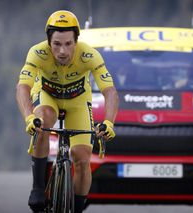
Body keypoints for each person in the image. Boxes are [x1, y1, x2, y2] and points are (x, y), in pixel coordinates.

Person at [16, 10, 119, 212]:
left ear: (76, 41)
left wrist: (109, 122)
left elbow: (110, 92)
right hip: (48, 98)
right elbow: (22, 88)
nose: (62, 51)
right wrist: (29, 117)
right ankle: (37, 187)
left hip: (77, 102)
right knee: (42, 121)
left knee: (82, 158)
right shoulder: (37, 53)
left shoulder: (89, 55)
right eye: (56, 44)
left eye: (68, 44)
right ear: (48, 42)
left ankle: (78, 208)